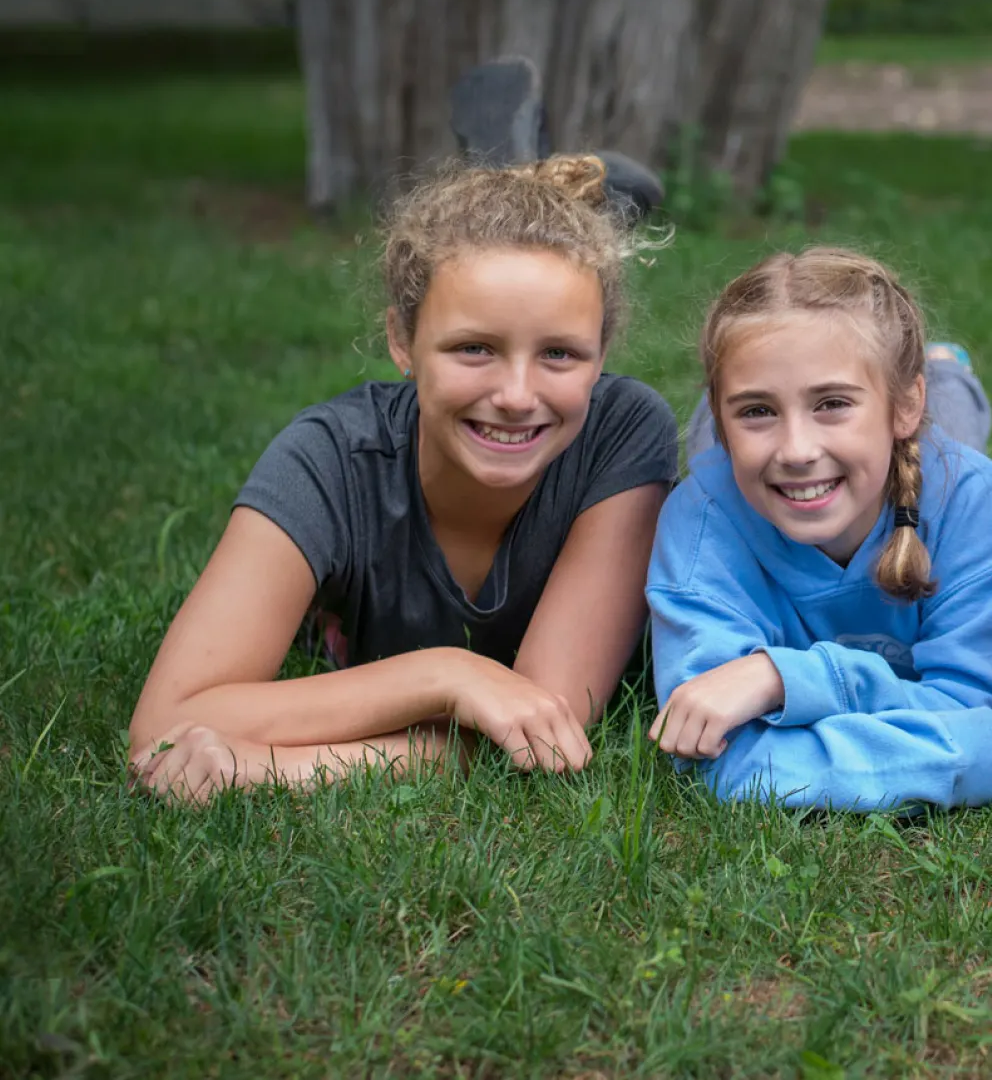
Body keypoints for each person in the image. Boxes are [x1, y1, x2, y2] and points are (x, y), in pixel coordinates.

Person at [130, 154, 678, 802]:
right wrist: (444, 675)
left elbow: (542, 724)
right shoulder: (330, 460)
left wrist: (264, 768)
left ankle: (534, 162)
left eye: (560, 353)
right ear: (401, 340)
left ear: (602, 355)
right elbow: (167, 722)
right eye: (474, 348)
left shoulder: (621, 430)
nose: (516, 394)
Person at [647, 246, 992, 811]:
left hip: (926, 455)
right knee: (730, 451)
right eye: (756, 410)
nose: (797, 449)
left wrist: (782, 679)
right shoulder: (700, 521)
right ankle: (730, 419)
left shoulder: (972, 504)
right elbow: (709, 749)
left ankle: (946, 375)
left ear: (905, 403)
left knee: (946, 438)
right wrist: (940, 752)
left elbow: (976, 713)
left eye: (831, 402)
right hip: (750, 467)